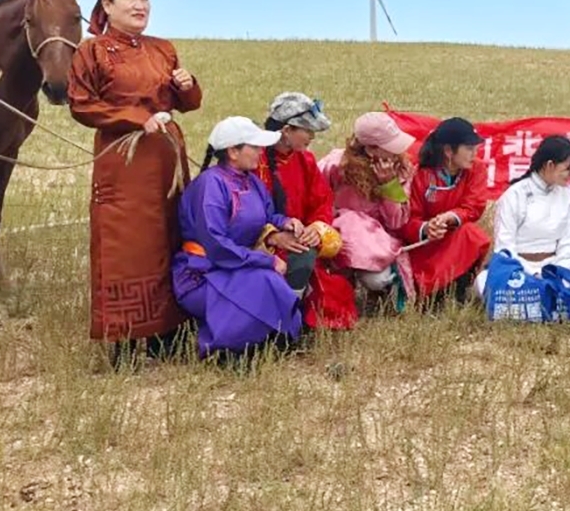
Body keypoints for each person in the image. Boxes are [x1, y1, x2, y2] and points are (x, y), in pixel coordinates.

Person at [67, 0, 202, 362]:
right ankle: (124, 337)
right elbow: (81, 103)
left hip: (166, 160)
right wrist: (133, 119)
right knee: (127, 244)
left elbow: (189, 104)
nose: (140, 5)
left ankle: (168, 332)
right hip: (124, 163)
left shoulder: (162, 48)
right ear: (106, 4)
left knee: (171, 235)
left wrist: (187, 86)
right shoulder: (92, 52)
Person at [172, 117, 304, 359]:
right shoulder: (210, 185)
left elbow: (266, 214)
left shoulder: (251, 180)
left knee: (268, 281)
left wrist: (285, 222)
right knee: (265, 281)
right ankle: (230, 349)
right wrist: (266, 260)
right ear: (233, 151)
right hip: (202, 272)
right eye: (254, 147)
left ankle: (269, 342)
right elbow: (215, 244)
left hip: (235, 266)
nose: (260, 152)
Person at [254, 92, 359, 330]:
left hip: (299, 239)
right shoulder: (254, 161)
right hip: (263, 244)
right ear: (287, 130)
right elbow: (246, 213)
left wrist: (316, 227)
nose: (312, 136)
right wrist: (273, 236)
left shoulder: (306, 160)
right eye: (307, 130)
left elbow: (322, 201)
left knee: (333, 297)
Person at [317, 111, 416, 302]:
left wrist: (388, 184)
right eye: (390, 146)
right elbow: (315, 198)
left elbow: (397, 222)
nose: (397, 152)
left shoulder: (402, 170)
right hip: (335, 238)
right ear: (371, 149)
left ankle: (380, 294)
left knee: (379, 280)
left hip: (378, 245)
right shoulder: (335, 166)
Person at [477, 135, 570, 292]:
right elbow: (505, 246)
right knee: (482, 282)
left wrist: (553, 271)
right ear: (549, 165)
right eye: (567, 169)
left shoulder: (567, 196)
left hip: (555, 271)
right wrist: (533, 274)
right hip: (518, 271)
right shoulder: (515, 194)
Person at [398, 117, 492, 301]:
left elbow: (474, 206)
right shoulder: (420, 174)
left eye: (476, 149)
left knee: (472, 234)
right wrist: (427, 228)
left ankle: (457, 287)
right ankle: (431, 292)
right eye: (469, 149)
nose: (474, 154)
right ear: (449, 151)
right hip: (426, 243)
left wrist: (451, 216)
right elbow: (407, 219)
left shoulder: (477, 168)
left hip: (455, 234)